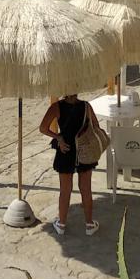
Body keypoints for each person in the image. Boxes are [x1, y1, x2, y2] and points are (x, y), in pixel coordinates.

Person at [39, 94, 101, 235]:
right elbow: (96, 126)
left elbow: (43, 128)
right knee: (86, 189)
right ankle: (89, 224)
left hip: (65, 148)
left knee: (65, 190)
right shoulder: (86, 106)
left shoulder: (57, 107)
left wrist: (58, 137)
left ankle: (61, 224)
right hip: (83, 150)